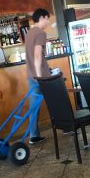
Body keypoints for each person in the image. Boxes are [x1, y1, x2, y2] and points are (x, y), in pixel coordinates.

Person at [25, 8, 51, 144]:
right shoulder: (40, 33)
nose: (48, 22)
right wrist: (40, 77)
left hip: (30, 75)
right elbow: (36, 54)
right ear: (42, 17)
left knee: (34, 106)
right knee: (56, 101)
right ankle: (66, 126)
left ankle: (34, 135)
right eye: (47, 19)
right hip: (41, 77)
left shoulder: (29, 33)